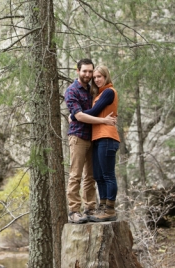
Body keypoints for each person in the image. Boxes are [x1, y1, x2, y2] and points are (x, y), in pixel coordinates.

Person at [64, 59, 113, 224]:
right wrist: (103, 121)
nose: (88, 74)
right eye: (84, 71)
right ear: (78, 71)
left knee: (90, 176)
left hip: (93, 137)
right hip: (78, 137)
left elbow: (97, 109)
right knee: (75, 175)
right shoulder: (71, 91)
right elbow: (79, 116)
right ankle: (74, 211)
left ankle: (90, 208)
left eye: (90, 71)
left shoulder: (93, 90)